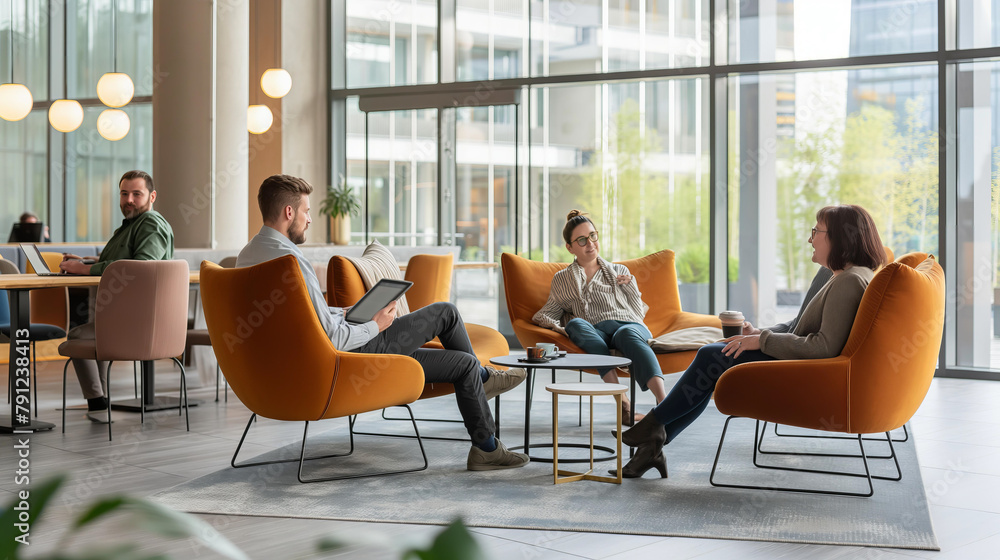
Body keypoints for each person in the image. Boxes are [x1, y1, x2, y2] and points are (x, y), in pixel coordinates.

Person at [236, 174, 529, 471]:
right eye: (306, 212)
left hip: (287, 370)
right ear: (289, 212)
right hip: (348, 359)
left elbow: (305, 321)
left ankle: (486, 432)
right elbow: (332, 339)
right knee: (446, 313)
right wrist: (374, 324)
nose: (309, 219)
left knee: (462, 363)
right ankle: (485, 387)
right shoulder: (292, 262)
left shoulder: (246, 258)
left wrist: (346, 312)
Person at [617, 204, 887, 478]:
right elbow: (797, 325)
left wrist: (763, 342)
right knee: (713, 355)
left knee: (712, 355)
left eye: (816, 231)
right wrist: (759, 334)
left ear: (839, 237)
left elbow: (823, 347)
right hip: (796, 359)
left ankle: (653, 426)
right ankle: (652, 441)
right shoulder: (836, 275)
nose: (810, 239)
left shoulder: (849, 282)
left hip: (804, 370)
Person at [60, 170, 175, 423]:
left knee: (78, 335)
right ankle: (101, 401)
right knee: (97, 329)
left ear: (152, 196)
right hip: (122, 315)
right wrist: (86, 261)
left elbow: (142, 266)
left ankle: (97, 402)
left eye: (137, 193)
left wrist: (86, 269)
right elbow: (115, 261)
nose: (129, 200)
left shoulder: (151, 224)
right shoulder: (128, 227)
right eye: (124, 194)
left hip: (142, 321)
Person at [532, 210, 663, 425]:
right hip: (596, 332)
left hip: (628, 324)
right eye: (582, 240)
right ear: (570, 247)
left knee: (627, 333)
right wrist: (561, 325)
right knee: (575, 324)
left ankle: (664, 404)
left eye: (593, 236)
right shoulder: (562, 279)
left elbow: (638, 313)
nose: (590, 244)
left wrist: (630, 287)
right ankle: (624, 405)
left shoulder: (620, 270)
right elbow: (548, 312)